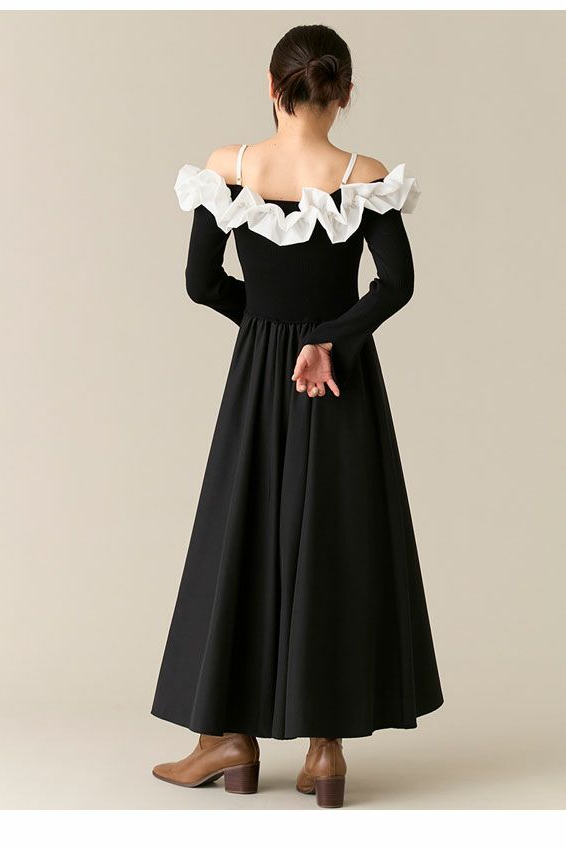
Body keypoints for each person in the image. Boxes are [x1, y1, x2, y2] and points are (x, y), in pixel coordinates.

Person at [150, 23, 444, 808]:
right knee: (334, 543)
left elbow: (202, 283)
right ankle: (324, 751)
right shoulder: (363, 175)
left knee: (240, 535)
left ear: (271, 85)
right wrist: (326, 341)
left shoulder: (230, 169)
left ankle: (229, 741)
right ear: (342, 94)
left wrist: (268, 331)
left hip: (260, 375)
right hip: (338, 380)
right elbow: (395, 285)